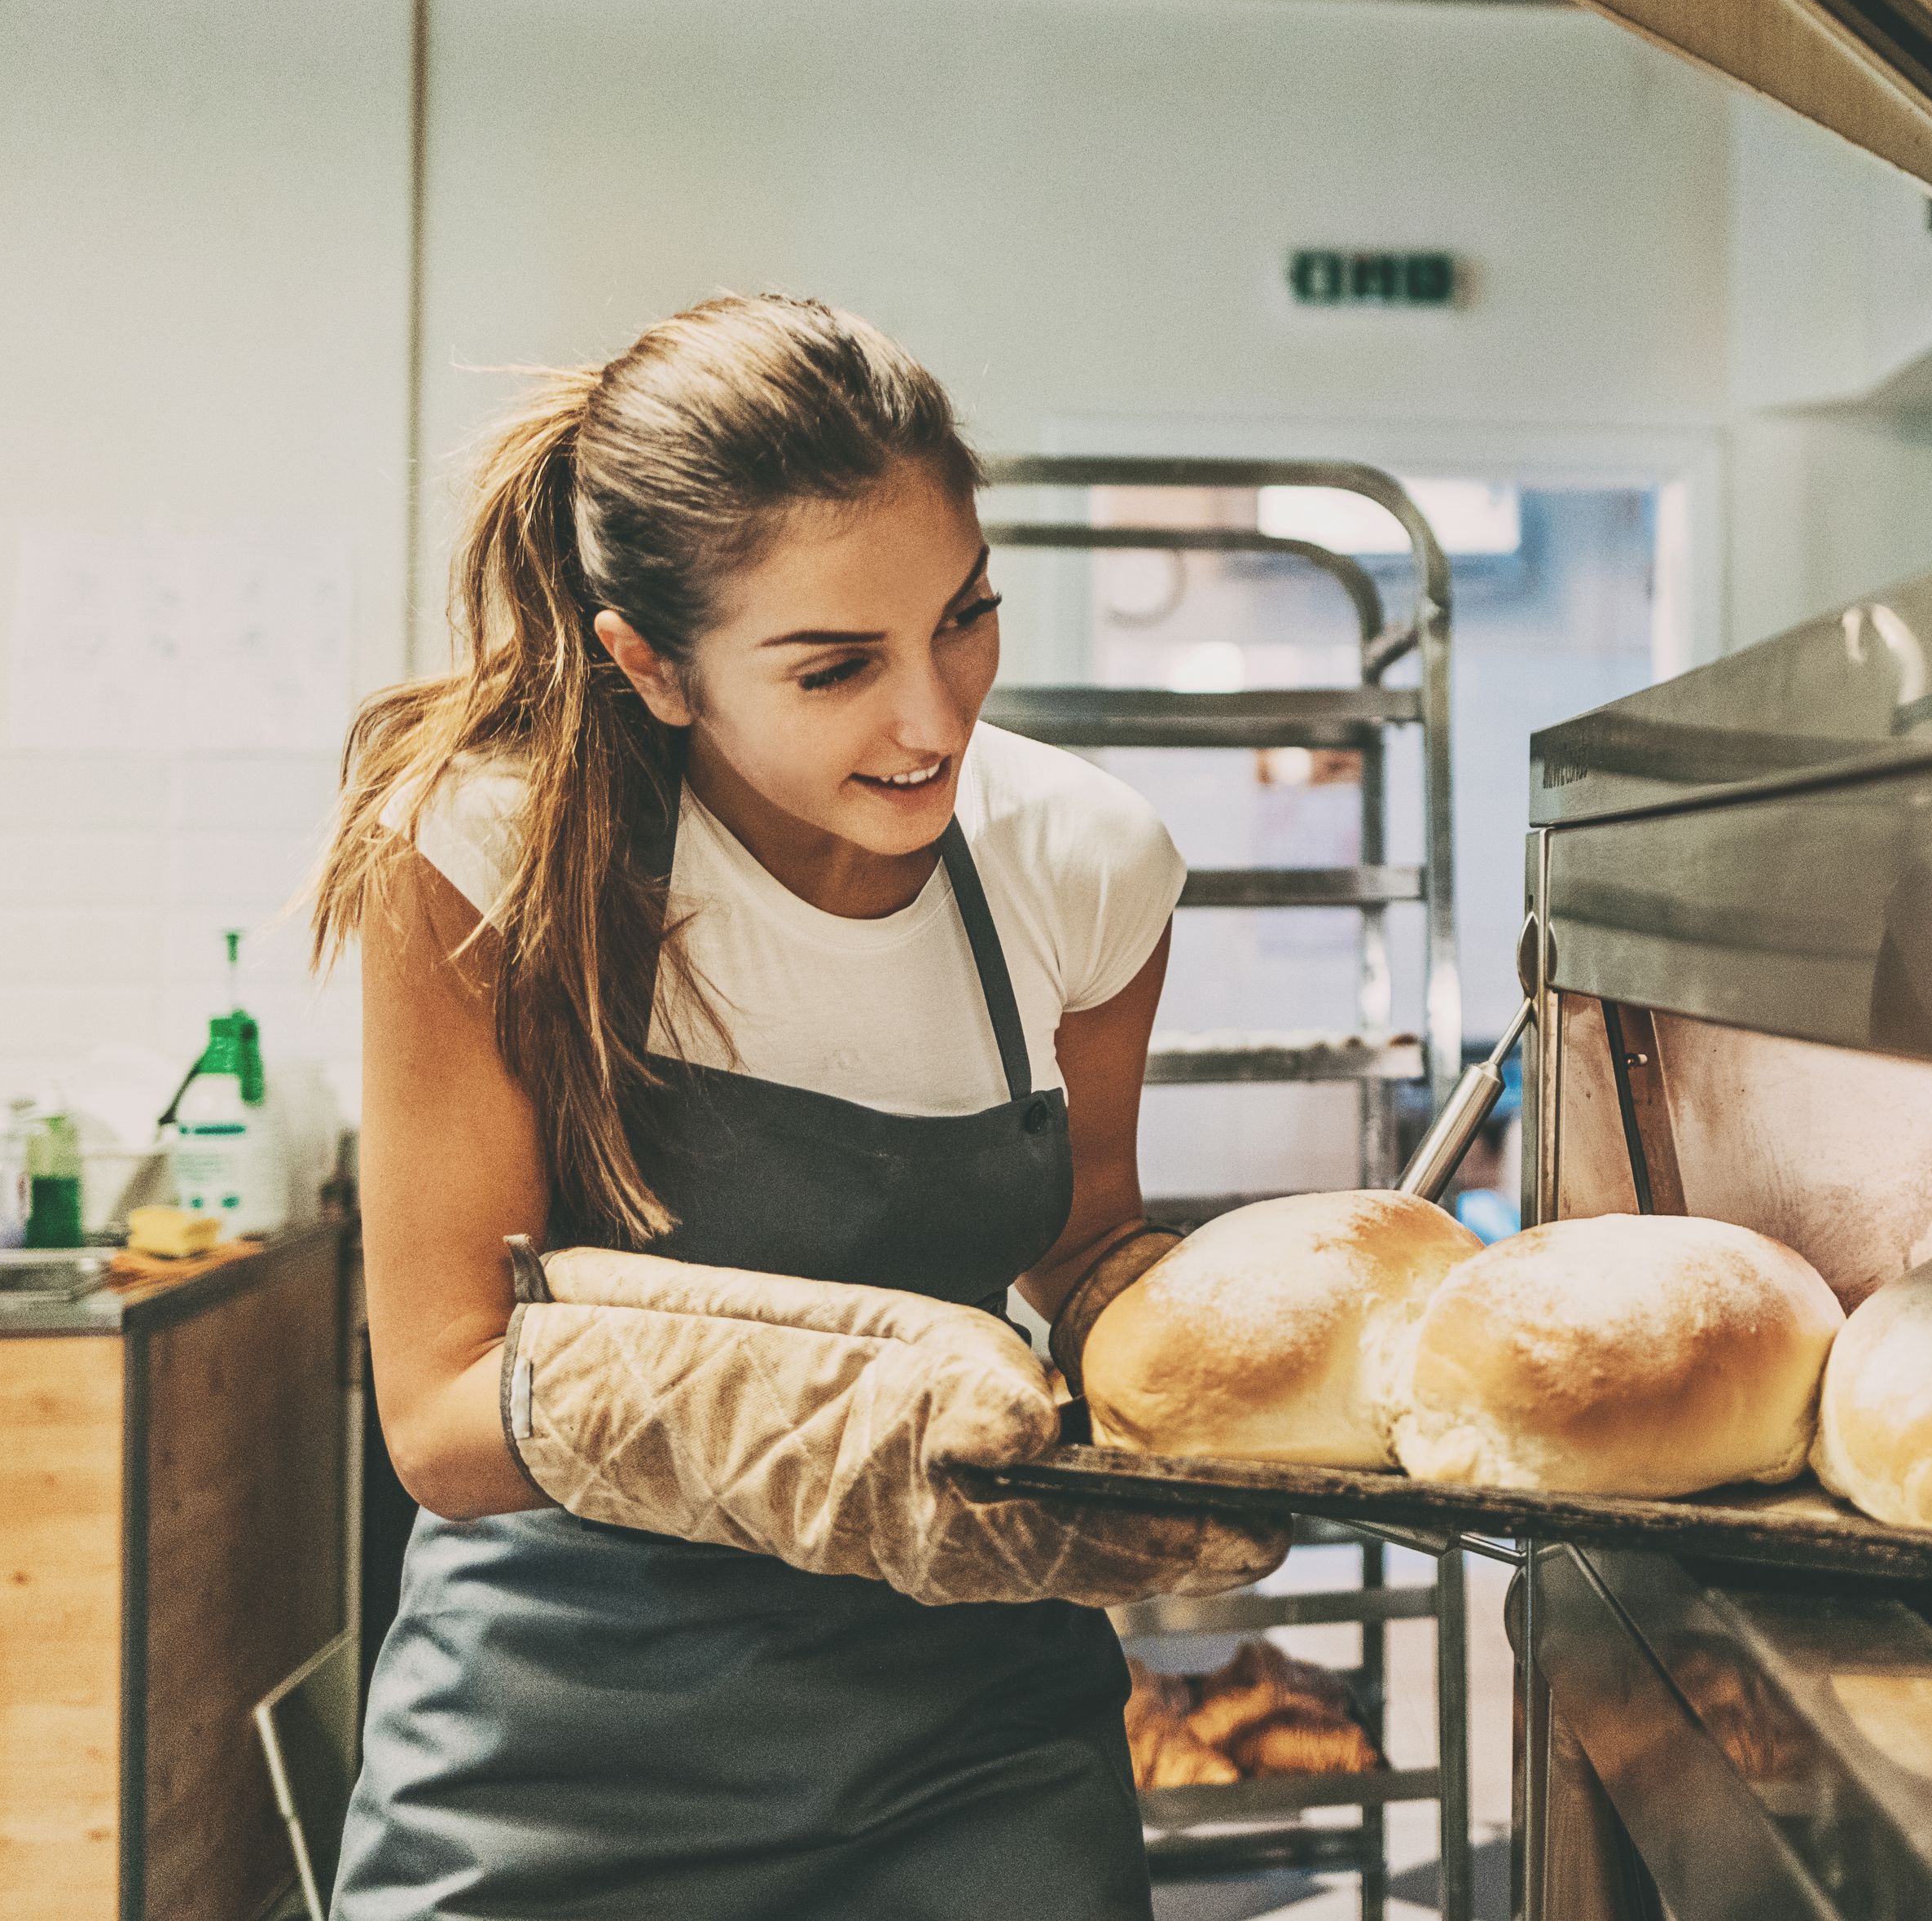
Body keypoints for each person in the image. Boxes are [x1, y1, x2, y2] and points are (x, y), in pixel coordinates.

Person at [311, 293, 1280, 1919]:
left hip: (974, 1739)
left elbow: (1085, 1241)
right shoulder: (487, 859)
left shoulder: (1084, 862)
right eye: (835, 665)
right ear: (653, 664)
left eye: (962, 616)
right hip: (564, 1732)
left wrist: (1265, 1367)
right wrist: (842, 1417)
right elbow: (442, 1413)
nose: (936, 716)